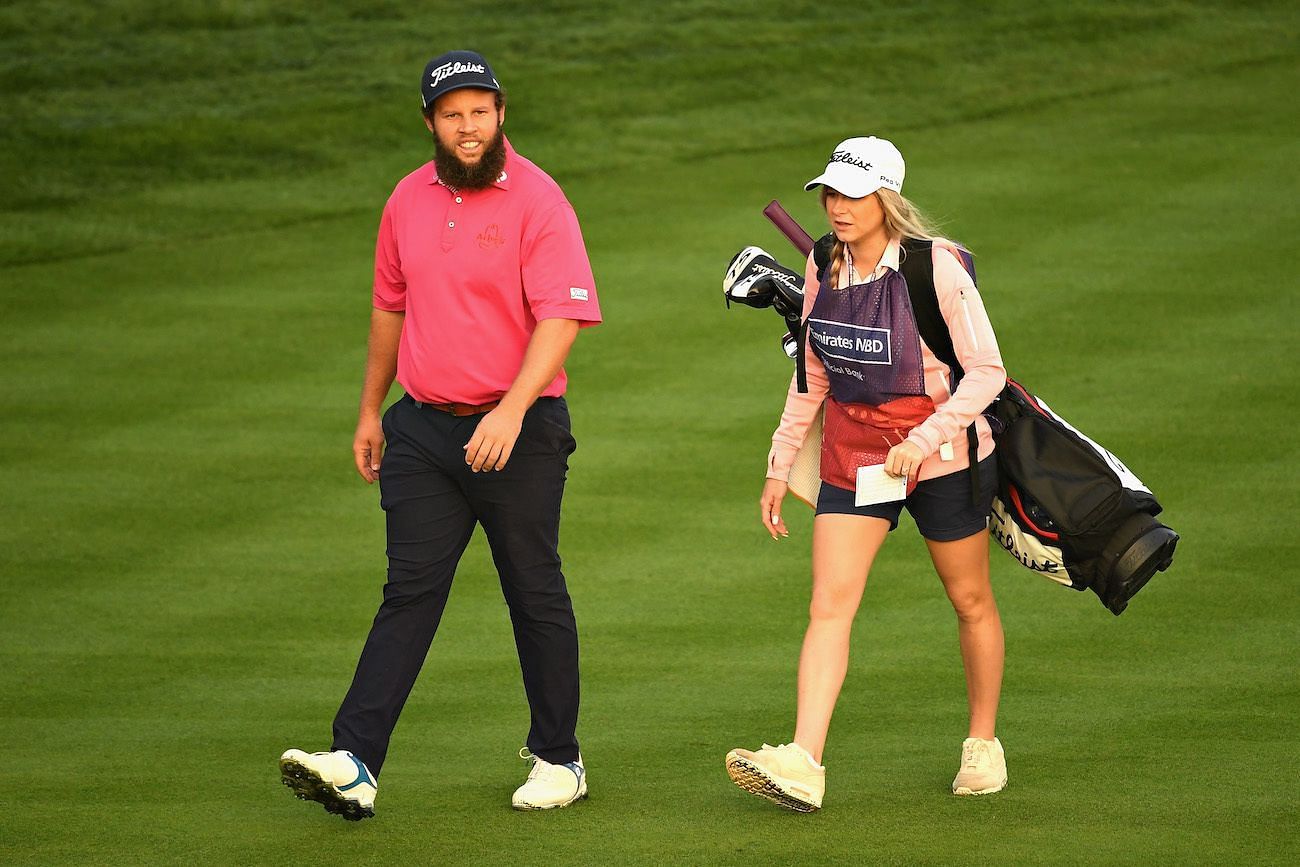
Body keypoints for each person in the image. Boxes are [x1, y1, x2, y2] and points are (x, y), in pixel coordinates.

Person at [280, 49, 601, 820]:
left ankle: (560, 757)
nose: (468, 126)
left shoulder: (538, 198)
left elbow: (563, 317)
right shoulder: (407, 199)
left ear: (501, 114)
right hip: (422, 430)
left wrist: (512, 409)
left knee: (533, 587)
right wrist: (369, 408)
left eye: (480, 111)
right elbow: (389, 306)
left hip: (517, 428)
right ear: (429, 120)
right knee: (410, 590)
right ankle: (355, 759)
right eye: (452, 113)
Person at [725, 136, 1008, 812]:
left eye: (852, 194)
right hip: (855, 456)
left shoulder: (935, 269)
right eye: (829, 193)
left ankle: (982, 744)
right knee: (829, 603)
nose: (837, 206)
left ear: (887, 199)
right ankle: (804, 760)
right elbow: (814, 371)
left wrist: (925, 438)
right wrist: (778, 463)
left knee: (969, 599)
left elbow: (988, 373)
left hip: (944, 458)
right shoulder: (824, 261)